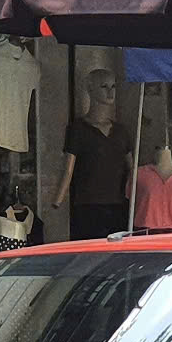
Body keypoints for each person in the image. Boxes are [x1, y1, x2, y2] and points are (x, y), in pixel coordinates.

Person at [54, 69, 133, 240]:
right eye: (104, 86)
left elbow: (132, 170)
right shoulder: (78, 129)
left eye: (113, 86)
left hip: (118, 205)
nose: (110, 92)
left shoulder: (121, 131)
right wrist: (58, 199)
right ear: (90, 88)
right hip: (87, 205)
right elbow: (68, 169)